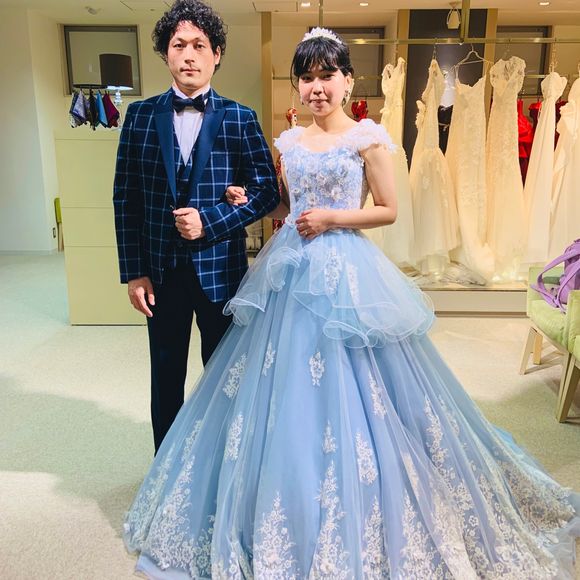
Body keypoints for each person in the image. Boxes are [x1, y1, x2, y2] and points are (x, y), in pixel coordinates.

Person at [123, 28, 580, 578]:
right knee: (277, 379)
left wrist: (333, 218)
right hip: (291, 265)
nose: (317, 87)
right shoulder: (291, 141)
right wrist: (250, 200)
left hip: (344, 266)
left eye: (327, 76)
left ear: (347, 81)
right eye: (307, 78)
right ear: (297, 85)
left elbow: (388, 209)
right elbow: (287, 204)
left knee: (362, 382)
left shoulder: (368, 138)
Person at [113, 0, 279, 452]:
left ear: (216, 54)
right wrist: (134, 272)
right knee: (165, 374)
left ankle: (220, 465)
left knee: (225, 375)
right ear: (165, 53)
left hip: (221, 272)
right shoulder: (140, 115)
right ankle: (165, 471)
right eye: (179, 45)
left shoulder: (240, 117)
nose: (189, 55)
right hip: (159, 272)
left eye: (199, 45)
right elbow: (125, 197)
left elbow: (267, 192)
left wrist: (211, 221)